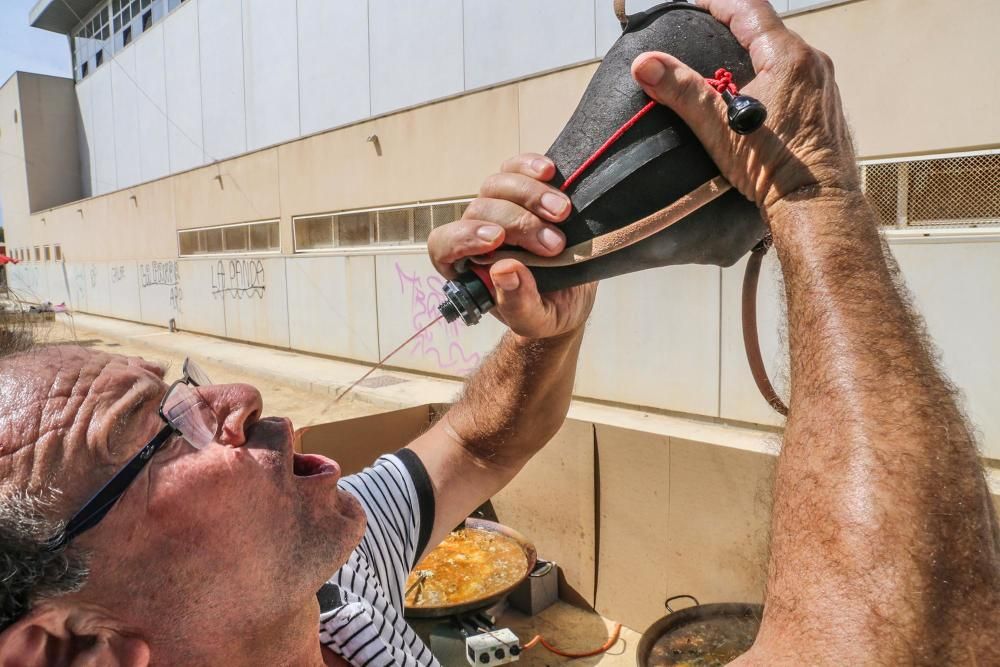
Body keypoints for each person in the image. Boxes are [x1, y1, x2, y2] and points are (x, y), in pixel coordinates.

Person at [0, 0, 995, 665]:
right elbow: (926, 632)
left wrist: (549, 321)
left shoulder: (333, 592)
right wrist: (811, 195)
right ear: (70, 646)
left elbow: (480, 440)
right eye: (157, 430)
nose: (230, 400)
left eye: (180, 382)